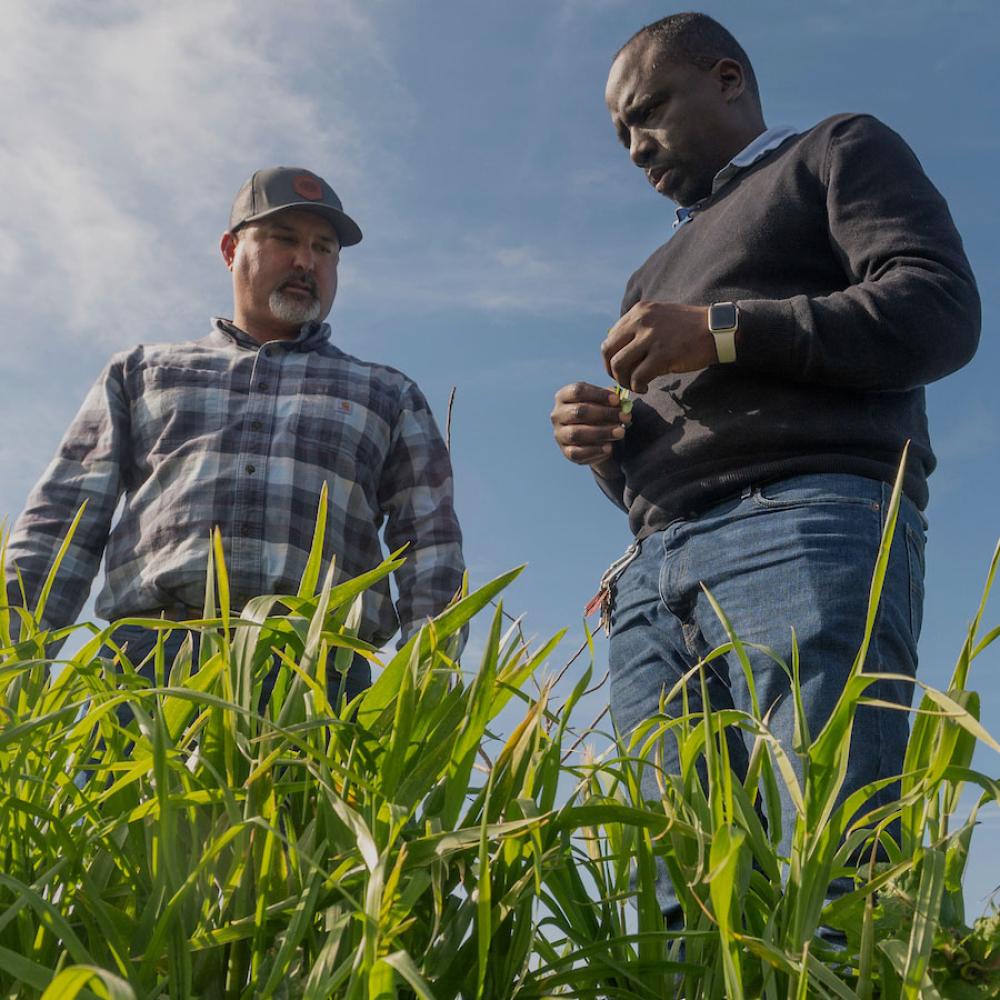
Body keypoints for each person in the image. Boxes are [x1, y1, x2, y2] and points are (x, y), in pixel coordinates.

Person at [550, 13, 979, 927]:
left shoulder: (836, 151)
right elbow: (653, 469)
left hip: (803, 522)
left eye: (648, 111)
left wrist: (722, 330)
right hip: (651, 572)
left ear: (728, 78)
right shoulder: (649, 271)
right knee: (679, 898)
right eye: (620, 131)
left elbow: (937, 309)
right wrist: (606, 445)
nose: (634, 147)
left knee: (834, 857)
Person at [6, 166, 465, 703]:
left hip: (317, 676)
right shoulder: (141, 372)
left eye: (324, 249)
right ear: (230, 250)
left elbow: (431, 546)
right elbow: (60, 527)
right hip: (146, 669)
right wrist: (12, 668)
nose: (305, 261)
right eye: (285, 239)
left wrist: (428, 687)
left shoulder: (386, 393)